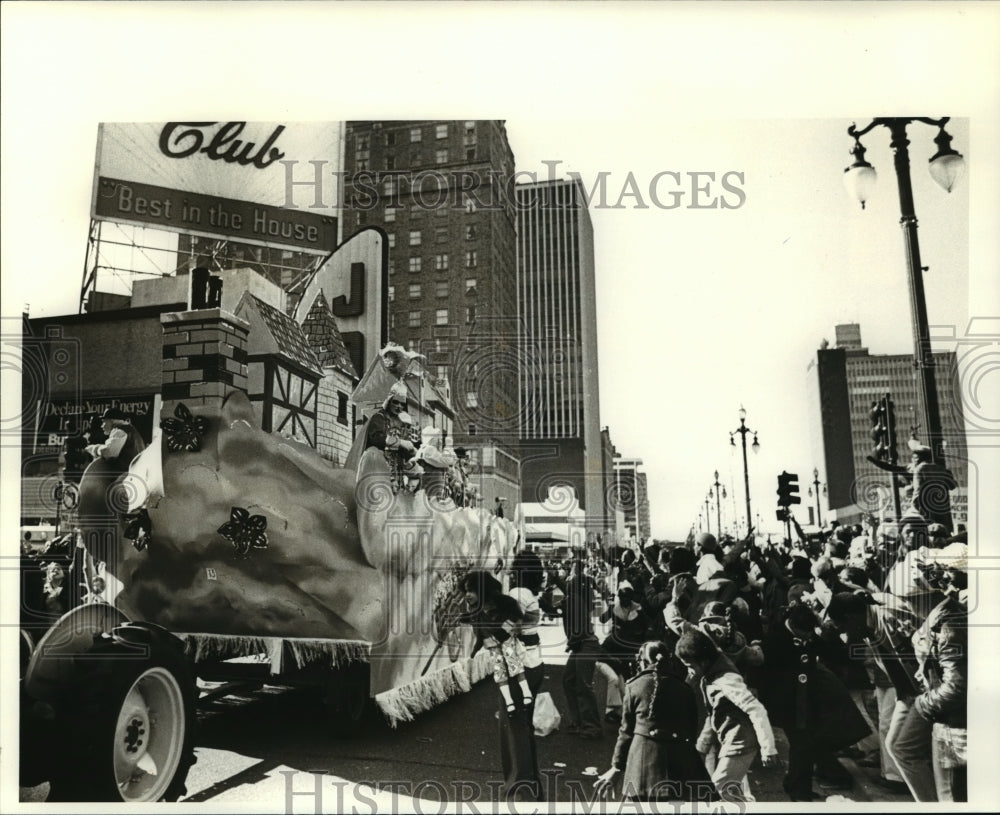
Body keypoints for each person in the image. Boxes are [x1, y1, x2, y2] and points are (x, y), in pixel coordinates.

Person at [759, 603, 870, 801]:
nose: (807, 637)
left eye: (810, 633)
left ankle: (797, 785)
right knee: (803, 745)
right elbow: (767, 678)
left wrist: (859, 656)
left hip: (805, 700)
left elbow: (828, 651)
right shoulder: (774, 639)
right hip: (785, 702)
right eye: (804, 633)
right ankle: (799, 792)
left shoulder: (807, 633)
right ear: (792, 625)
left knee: (805, 745)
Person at [593, 640, 717, 802]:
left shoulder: (634, 686)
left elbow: (626, 733)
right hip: (679, 763)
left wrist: (616, 768)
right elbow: (692, 730)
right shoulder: (684, 689)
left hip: (642, 763)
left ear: (643, 661)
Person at [675, 628, 780, 803]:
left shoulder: (726, 679)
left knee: (715, 792)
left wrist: (768, 748)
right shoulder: (712, 669)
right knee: (730, 794)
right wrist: (702, 744)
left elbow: (756, 708)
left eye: (691, 666)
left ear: (705, 660)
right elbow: (714, 713)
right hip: (733, 740)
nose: (690, 672)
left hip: (741, 742)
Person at [911, 554, 968, 802]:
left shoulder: (949, 621)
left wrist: (923, 703)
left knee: (951, 796)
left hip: (955, 724)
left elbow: (955, 687)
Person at [499, 551, 546, 802]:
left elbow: (509, 629)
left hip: (520, 668)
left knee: (514, 731)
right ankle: (532, 790)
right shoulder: (530, 595)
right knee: (523, 729)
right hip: (533, 663)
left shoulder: (517, 594)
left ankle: (519, 794)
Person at [460, 570, 534, 716]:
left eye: (472, 591)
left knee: (514, 664)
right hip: (491, 643)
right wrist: (475, 648)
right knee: (499, 671)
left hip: (505, 637)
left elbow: (515, 612)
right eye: (466, 591)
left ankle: (526, 692)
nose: (467, 595)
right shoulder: (475, 610)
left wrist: (513, 627)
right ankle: (509, 701)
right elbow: (479, 630)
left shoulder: (499, 603)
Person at [561, 556, 603, 739]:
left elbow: (578, 631)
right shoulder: (575, 600)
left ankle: (591, 726)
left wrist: (570, 644)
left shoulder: (574, 600)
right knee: (569, 680)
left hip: (585, 645)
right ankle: (579, 721)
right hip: (583, 645)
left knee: (582, 685)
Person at [363, 382, 420, 493]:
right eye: (396, 402)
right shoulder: (379, 418)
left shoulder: (402, 423)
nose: (399, 406)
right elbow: (376, 438)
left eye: (402, 404)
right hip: (378, 470)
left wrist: (411, 453)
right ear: (389, 401)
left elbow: (405, 452)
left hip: (398, 474)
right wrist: (400, 442)